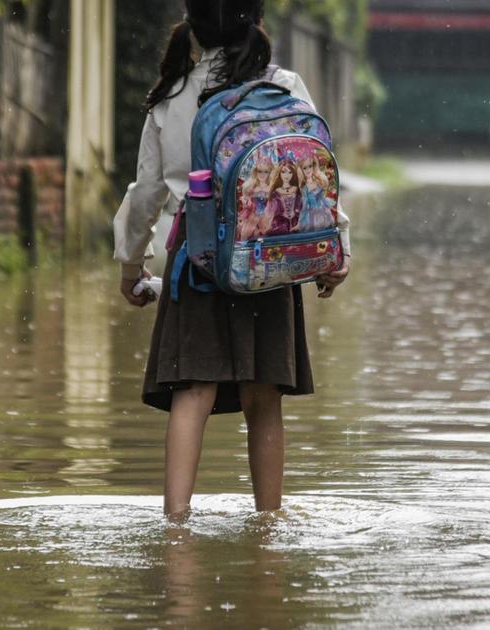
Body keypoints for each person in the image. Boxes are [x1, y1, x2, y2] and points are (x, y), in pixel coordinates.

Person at [112, 0, 352, 517]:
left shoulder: (172, 97)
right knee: (264, 398)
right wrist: (335, 250)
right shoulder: (285, 86)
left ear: (192, 28)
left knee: (193, 391)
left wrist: (131, 267)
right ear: (258, 20)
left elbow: (147, 193)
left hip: (197, 261)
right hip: (269, 255)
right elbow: (316, 173)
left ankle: (175, 526)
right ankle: (270, 525)